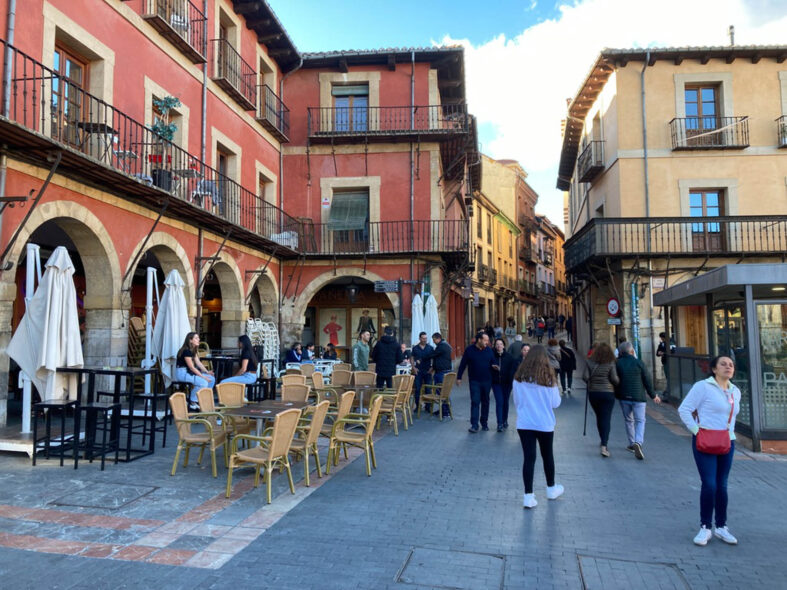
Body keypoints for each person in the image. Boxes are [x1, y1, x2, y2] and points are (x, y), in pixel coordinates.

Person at [678, 356, 741, 547]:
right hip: (705, 441)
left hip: (727, 442)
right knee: (710, 484)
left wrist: (729, 434)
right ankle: (705, 527)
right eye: (723, 364)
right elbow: (684, 409)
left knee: (722, 485)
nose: (728, 367)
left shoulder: (735, 391)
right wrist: (697, 431)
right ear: (714, 369)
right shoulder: (703, 387)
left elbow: (732, 418)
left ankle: (721, 526)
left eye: (731, 365)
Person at [513, 344, 564, 509]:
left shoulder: (518, 378)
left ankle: (528, 496)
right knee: (547, 455)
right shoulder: (548, 379)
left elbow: (516, 401)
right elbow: (556, 403)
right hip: (544, 423)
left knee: (529, 458)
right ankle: (551, 488)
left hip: (525, 423)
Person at [616, 341, 660, 460]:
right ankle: (638, 442)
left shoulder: (618, 363)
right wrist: (653, 395)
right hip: (638, 397)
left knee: (628, 420)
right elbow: (647, 380)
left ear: (621, 352)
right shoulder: (639, 363)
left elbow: (615, 380)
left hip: (624, 397)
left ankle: (631, 443)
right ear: (632, 351)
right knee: (640, 420)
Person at [583, 342, 619, 458]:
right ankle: (604, 445)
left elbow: (585, 377)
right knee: (606, 418)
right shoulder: (611, 363)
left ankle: (602, 439)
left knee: (599, 417)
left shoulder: (589, 361)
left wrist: (592, 381)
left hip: (594, 393)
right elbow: (614, 379)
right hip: (608, 393)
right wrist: (617, 382)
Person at [457, 332, 495, 433]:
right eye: (485, 340)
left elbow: (493, 362)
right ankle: (474, 425)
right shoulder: (469, 350)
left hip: (487, 381)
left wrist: (495, 366)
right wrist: (459, 377)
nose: (487, 342)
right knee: (475, 402)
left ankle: (484, 423)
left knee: (485, 402)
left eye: (488, 340)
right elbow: (463, 364)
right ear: (479, 340)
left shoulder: (489, 350)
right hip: (474, 381)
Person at [175, 332, 215, 410]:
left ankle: (202, 399)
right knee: (203, 382)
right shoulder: (186, 351)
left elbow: (198, 363)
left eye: (198, 338)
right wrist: (203, 377)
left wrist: (207, 372)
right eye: (196, 338)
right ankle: (192, 400)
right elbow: (191, 367)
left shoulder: (193, 350)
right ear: (190, 340)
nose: (199, 339)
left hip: (188, 373)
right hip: (182, 373)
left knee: (211, 379)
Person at [491, 337, 517, 431]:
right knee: (499, 402)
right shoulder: (492, 356)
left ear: (504, 346)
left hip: (507, 384)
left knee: (505, 402)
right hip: (496, 383)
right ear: (495, 346)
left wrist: (503, 372)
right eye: (497, 344)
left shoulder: (509, 357)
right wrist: (492, 368)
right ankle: (500, 423)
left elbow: (512, 371)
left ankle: (505, 420)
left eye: (500, 344)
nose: (499, 346)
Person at [426, 332, 453, 416]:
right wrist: (433, 367)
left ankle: (445, 411)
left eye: (434, 340)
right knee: (444, 392)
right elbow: (438, 358)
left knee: (442, 392)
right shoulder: (445, 345)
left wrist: (422, 357)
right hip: (444, 371)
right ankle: (445, 409)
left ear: (438, 339)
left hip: (442, 372)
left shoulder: (442, 346)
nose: (433, 342)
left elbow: (432, 355)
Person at [410, 332, 433, 410]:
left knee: (428, 389)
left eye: (426, 338)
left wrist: (432, 368)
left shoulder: (430, 348)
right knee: (417, 389)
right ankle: (417, 406)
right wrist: (413, 367)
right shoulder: (415, 348)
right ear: (419, 338)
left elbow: (434, 358)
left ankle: (428, 406)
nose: (424, 340)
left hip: (427, 371)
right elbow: (412, 358)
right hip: (418, 371)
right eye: (423, 338)